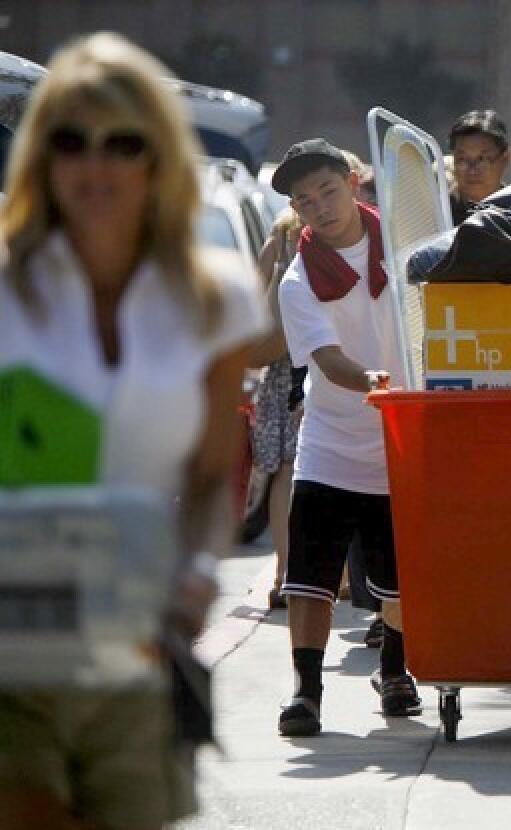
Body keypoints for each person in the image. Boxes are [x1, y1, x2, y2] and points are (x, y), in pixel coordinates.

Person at [0, 32, 266, 828]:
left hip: (138, 650)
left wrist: (193, 575)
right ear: (40, 156)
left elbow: (213, 480)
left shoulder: (214, 297)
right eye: (70, 141)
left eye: (123, 142)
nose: (97, 164)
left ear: (159, 156)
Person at [272, 138, 419, 736]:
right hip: (331, 442)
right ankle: (306, 689)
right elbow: (327, 361)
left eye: (328, 190)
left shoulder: (411, 249)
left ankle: (396, 671)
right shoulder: (298, 279)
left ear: (355, 182)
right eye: (305, 201)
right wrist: (373, 382)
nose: (320, 207)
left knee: (399, 576)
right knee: (309, 577)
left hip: (405, 434)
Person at [246, 205, 304, 612]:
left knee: (286, 472)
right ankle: (326, 577)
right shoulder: (299, 239)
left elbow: (245, 309)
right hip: (309, 365)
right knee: (308, 473)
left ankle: (286, 574)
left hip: (282, 367)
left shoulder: (280, 238)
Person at [448, 109, 511, 225]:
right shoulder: (436, 215)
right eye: (462, 159)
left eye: (482, 159)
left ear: (505, 158)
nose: (472, 170)